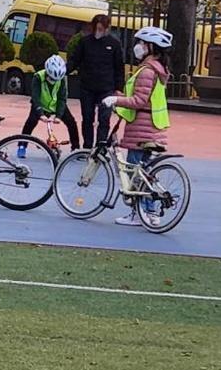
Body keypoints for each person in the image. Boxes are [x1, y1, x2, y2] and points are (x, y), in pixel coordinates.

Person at [102, 25, 172, 227]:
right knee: (144, 170)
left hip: (142, 129)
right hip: (152, 127)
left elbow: (139, 101)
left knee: (134, 170)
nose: (138, 47)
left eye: (141, 43)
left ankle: (140, 213)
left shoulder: (147, 71)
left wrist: (116, 101)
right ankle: (149, 214)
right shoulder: (158, 70)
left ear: (151, 47)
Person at [70, 13, 125, 149]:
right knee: (87, 118)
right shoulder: (85, 42)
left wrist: (118, 88)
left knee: (104, 118)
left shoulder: (114, 44)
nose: (100, 31)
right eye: (97, 28)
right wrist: (63, 70)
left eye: (102, 29)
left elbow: (119, 67)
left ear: (107, 28)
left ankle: (100, 146)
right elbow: (74, 60)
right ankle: (87, 146)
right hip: (87, 87)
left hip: (106, 88)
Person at [19, 53, 79, 152]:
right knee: (31, 122)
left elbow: (62, 98)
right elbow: (35, 96)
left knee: (71, 122)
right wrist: (40, 114)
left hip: (56, 105)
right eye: (51, 78)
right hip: (40, 104)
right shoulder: (38, 77)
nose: (53, 81)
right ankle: (22, 146)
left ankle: (75, 148)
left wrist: (58, 116)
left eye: (56, 80)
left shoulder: (62, 79)